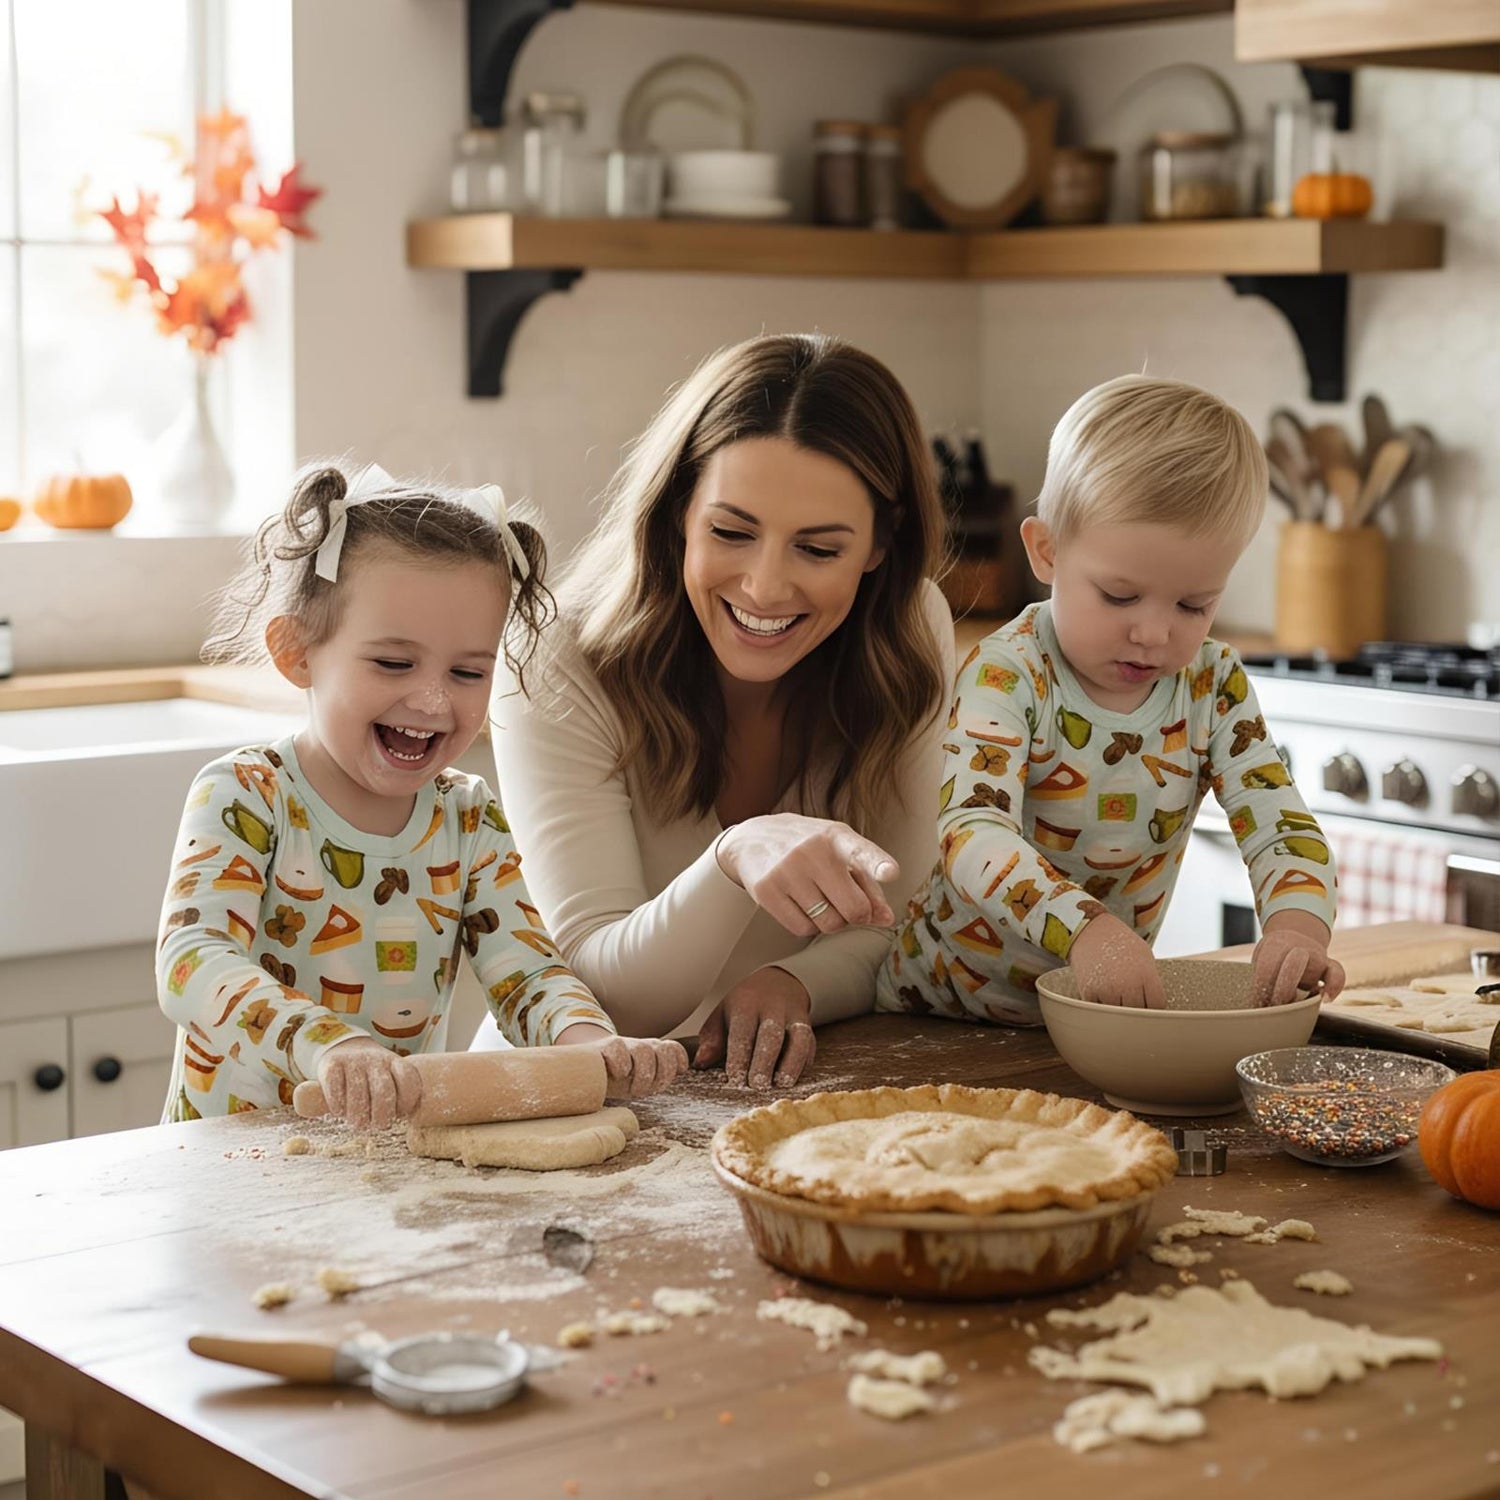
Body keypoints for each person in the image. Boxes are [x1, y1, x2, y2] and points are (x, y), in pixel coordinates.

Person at [476, 334, 955, 1088]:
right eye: (731, 532)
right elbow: (601, 993)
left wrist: (794, 983)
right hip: (565, 1102)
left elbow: (909, 922)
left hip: (782, 1089)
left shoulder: (909, 629)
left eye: (818, 550)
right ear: (676, 516)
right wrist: (735, 860)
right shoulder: (554, 654)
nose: (765, 588)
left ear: (879, 548)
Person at [156, 462, 686, 1129]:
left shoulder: (466, 816)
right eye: (393, 663)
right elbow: (191, 962)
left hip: (383, 1163)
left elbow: (524, 973)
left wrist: (592, 1046)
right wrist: (331, 1047)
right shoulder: (248, 794)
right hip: (229, 1166)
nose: (434, 699)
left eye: (468, 671)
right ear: (297, 652)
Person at [878, 375, 1345, 1023]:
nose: (1153, 633)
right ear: (1046, 551)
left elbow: (1278, 824)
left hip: (1088, 1018)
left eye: (1194, 604)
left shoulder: (1212, 684)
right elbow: (973, 835)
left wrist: (1297, 930)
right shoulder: (1009, 673)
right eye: (1119, 596)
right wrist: (1088, 930)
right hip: (937, 1011)